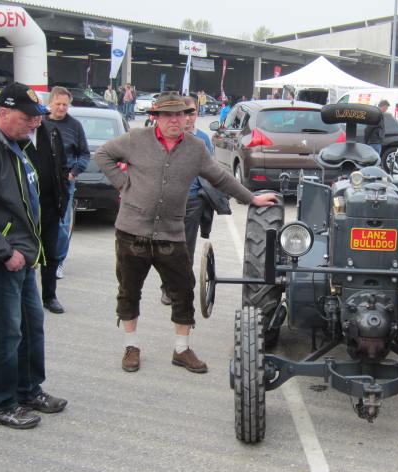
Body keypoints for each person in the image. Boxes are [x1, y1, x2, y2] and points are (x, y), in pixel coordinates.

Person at [94, 91, 277, 374]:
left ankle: (181, 349)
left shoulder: (195, 148)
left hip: (171, 234)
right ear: (156, 118)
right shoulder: (135, 140)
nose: (174, 120)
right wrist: (123, 184)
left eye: (180, 114)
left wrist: (250, 198)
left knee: (183, 291)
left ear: (186, 117)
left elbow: (220, 176)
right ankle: (131, 346)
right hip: (132, 232)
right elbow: (103, 154)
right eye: (167, 115)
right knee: (129, 292)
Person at [0, 82, 68, 429]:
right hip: (4, 261)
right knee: (6, 333)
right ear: (3, 113)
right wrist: (4, 250)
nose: (34, 123)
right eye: (27, 117)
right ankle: (2, 402)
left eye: (37, 117)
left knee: (31, 327)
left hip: (25, 257)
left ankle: (28, 390)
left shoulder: (16, 145)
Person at [160, 95, 230, 305]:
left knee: (185, 247)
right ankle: (167, 286)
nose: (189, 117)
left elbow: (211, 171)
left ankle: (180, 288)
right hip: (168, 201)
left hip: (192, 201)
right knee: (166, 246)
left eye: (192, 112)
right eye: (185, 112)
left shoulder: (202, 139)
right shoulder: (167, 137)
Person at [24, 115, 69, 314]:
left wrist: (64, 195)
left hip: (50, 205)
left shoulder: (50, 131)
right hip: (24, 210)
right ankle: (24, 299)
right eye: (31, 114)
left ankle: (49, 296)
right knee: (26, 256)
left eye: (38, 114)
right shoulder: (14, 134)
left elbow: (62, 164)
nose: (36, 118)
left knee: (51, 253)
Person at [44, 86, 90, 280]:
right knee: (40, 220)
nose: (62, 108)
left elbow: (84, 154)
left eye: (65, 104)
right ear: (50, 104)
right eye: (58, 104)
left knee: (63, 224)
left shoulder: (75, 126)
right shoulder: (40, 123)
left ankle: (58, 261)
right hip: (43, 180)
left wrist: (74, 173)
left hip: (65, 182)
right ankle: (41, 257)